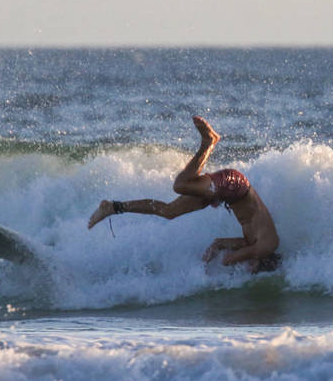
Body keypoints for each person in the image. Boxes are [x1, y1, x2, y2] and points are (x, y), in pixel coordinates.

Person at [88, 116, 281, 273]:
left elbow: (220, 244)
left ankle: (114, 207)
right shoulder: (266, 246)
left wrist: (207, 258)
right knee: (180, 185)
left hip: (224, 195)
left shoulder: (253, 243)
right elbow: (229, 260)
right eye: (252, 267)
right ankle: (208, 143)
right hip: (234, 185)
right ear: (261, 262)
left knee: (169, 211)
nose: (249, 267)